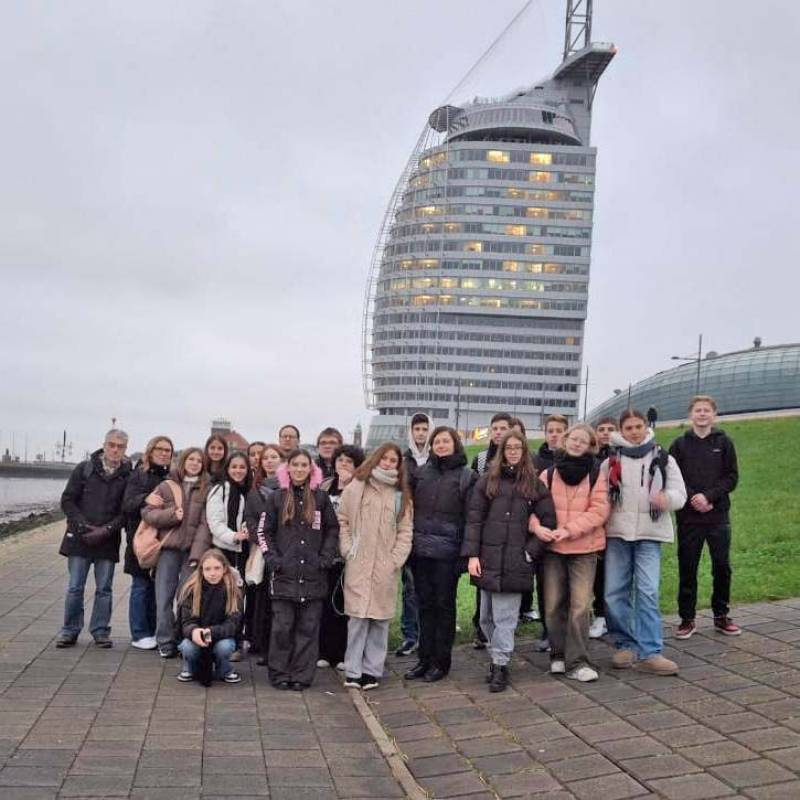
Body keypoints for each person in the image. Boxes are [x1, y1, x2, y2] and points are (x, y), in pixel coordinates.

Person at [463, 430, 556, 692]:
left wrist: (530, 552)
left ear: (524, 451)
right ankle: (497, 657)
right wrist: (472, 555)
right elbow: (474, 519)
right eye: (509, 447)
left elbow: (548, 520)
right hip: (488, 559)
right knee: (486, 619)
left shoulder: (534, 484)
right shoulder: (487, 481)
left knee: (505, 618)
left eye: (518, 447)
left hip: (516, 561)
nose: (513, 452)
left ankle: (500, 665)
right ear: (502, 451)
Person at [603, 409, 686, 675]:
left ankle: (651, 652)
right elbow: (601, 496)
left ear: (645, 426)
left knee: (648, 591)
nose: (635, 432)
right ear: (621, 430)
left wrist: (666, 499)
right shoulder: (610, 461)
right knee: (614, 593)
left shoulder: (663, 458)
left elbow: (680, 494)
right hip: (617, 534)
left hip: (650, 534)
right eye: (629, 428)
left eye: (638, 426)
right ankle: (625, 644)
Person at [532, 423, 610, 682]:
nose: (577, 443)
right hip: (552, 549)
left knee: (579, 606)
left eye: (583, 441)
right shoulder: (548, 474)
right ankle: (557, 655)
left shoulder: (597, 474)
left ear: (590, 446)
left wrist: (568, 530)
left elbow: (599, 510)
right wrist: (537, 528)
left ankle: (578, 662)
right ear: (565, 441)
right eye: (573, 438)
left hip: (584, 549)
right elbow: (532, 507)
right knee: (553, 605)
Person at [338, 443, 413, 690]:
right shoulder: (357, 486)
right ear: (376, 459)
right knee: (358, 619)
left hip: (384, 566)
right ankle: (353, 670)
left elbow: (405, 532)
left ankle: (372, 670)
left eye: (393, 460)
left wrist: (395, 560)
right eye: (385, 458)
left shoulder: (400, 495)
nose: (388, 463)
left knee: (379, 620)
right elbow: (343, 519)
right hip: (358, 562)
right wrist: (348, 549)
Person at [263, 450, 339, 690]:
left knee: (308, 628)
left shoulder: (321, 498)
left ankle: (301, 676)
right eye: (294, 464)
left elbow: (332, 529)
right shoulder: (276, 498)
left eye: (303, 465)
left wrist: (325, 558)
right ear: (288, 468)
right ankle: (280, 674)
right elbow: (264, 532)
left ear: (311, 469)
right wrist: (274, 559)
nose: (299, 469)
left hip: (313, 576)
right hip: (283, 576)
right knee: (282, 628)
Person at [405, 427, 476, 683]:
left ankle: (441, 661)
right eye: (437, 441)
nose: (441, 445)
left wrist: (466, 554)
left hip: (448, 552)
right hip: (421, 550)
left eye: (446, 441)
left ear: (455, 444)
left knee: (444, 606)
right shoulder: (421, 473)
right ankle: (424, 659)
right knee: (424, 605)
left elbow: (472, 517)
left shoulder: (467, 477)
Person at [669, 396, 740, 639]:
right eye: (698, 410)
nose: (702, 414)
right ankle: (687, 619)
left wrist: (709, 497)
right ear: (691, 415)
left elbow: (731, 477)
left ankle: (721, 615)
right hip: (689, 517)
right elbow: (673, 478)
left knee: (722, 567)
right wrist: (693, 498)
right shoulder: (679, 445)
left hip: (717, 515)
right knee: (688, 567)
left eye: (706, 410)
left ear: (714, 414)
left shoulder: (724, 443)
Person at [56, 429, 132, 648]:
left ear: (125, 449)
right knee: (75, 587)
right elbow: (68, 500)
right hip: (79, 538)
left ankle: (100, 631)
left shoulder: (128, 475)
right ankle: (69, 630)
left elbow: (126, 511)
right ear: (104, 445)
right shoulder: (84, 469)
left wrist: (107, 529)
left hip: (107, 540)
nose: (115, 450)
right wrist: (82, 525)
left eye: (120, 446)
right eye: (112, 445)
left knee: (104, 589)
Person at [141, 447, 209, 658]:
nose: (194, 463)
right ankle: (165, 640)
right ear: (183, 461)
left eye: (199, 460)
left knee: (186, 598)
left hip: (191, 552)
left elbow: (205, 525)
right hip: (168, 550)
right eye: (191, 459)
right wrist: (171, 515)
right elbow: (147, 512)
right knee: (163, 597)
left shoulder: (206, 488)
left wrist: (197, 554)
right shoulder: (165, 486)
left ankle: (182, 639)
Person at [199, 451, 252, 660]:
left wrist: (246, 530)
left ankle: (235, 643)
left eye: (242, 467)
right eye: (234, 467)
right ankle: (213, 642)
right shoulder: (219, 490)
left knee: (238, 600)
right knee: (220, 599)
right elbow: (215, 522)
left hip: (243, 553)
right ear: (227, 468)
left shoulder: (249, 490)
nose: (238, 471)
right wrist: (234, 536)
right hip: (223, 552)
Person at [122, 435, 174, 650]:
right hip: (141, 539)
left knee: (156, 588)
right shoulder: (138, 475)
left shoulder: (171, 476)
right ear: (150, 451)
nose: (163, 453)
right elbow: (127, 504)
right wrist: (147, 499)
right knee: (140, 585)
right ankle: (139, 633)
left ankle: (153, 630)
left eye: (167, 450)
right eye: (159, 449)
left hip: (163, 541)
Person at [318, 444, 365, 670]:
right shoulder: (325, 485)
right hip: (326, 553)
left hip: (349, 555)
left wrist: (349, 486)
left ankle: (344, 652)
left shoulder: (361, 487)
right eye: (340, 460)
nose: (344, 464)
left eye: (349, 461)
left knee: (345, 605)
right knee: (326, 604)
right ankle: (325, 652)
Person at [469, 412, 513, 648]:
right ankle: (481, 628)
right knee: (482, 582)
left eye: (503, 428)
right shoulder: (480, 459)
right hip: (486, 529)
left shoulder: (518, 457)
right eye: (494, 428)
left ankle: (503, 632)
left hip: (510, 528)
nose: (498, 432)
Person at [175, 549, 243, 685]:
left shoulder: (233, 591)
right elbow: (185, 622)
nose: (212, 573)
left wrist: (210, 632)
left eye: (217, 568)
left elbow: (233, 624)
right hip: (196, 636)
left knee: (224, 647)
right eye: (208, 569)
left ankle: (225, 670)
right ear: (201, 571)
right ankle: (190, 667)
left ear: (224, 569)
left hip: (221, 636)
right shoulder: (190, 589)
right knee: (188, 647)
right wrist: (194, 631)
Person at [244, 444, 284, 664]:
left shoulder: (290, 487)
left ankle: (280, 648)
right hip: (263, 551)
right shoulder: (255, 490)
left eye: (274, 457)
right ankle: (263, 646)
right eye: (265, 458)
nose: (269, 461)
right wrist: (264, 542)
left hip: (285, 551)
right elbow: (251, 520)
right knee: (263, 602)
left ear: (282, 460)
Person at [396, 413, 431, 657]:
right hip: (408, 528)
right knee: (409, 587)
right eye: (417, 429)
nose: (420, 433)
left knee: (431, 587)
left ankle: (428, 634)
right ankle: (410, 635)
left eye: (424, 429)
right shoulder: (404, 460)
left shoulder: (436, 459)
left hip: (431, 529)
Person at [589, 416, 618, 639]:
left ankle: (616, 615)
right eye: (602, 429)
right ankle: (600, 613)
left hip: (618, 521)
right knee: (598, 571)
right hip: (597, 521)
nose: (606, 433)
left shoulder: (623, 456)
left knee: (617, 571)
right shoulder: (591, 459)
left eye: (610, 429)